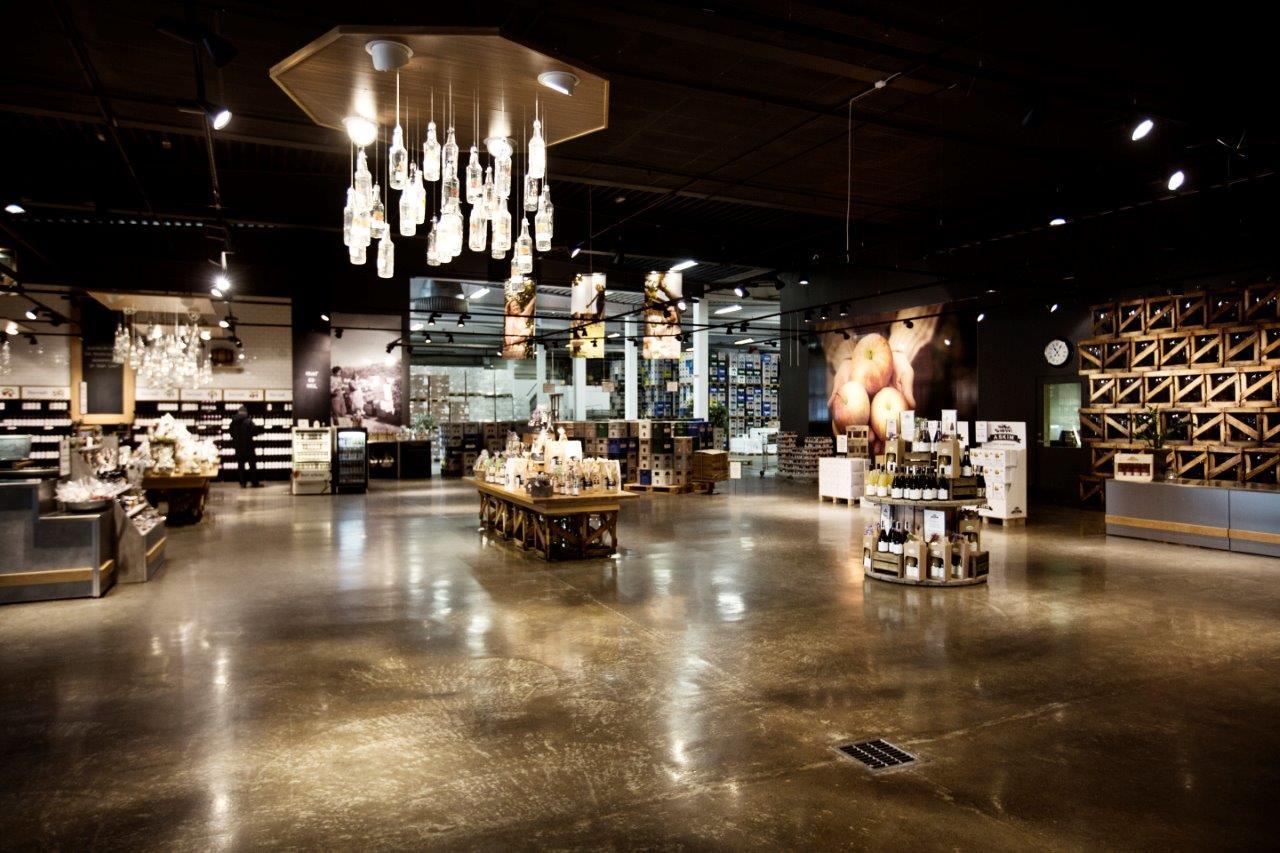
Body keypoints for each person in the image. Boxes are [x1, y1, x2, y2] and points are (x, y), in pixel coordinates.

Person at [229, 406, 264, 488]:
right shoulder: (249, 421)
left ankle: (242, 483)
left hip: (238, 447)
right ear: (246, 413)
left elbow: (231, 434)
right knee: (252, 466)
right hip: (249, 447)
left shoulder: (233, 422)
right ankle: (254, 482)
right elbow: (255, 432)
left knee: (240, 466)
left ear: (238, 412)